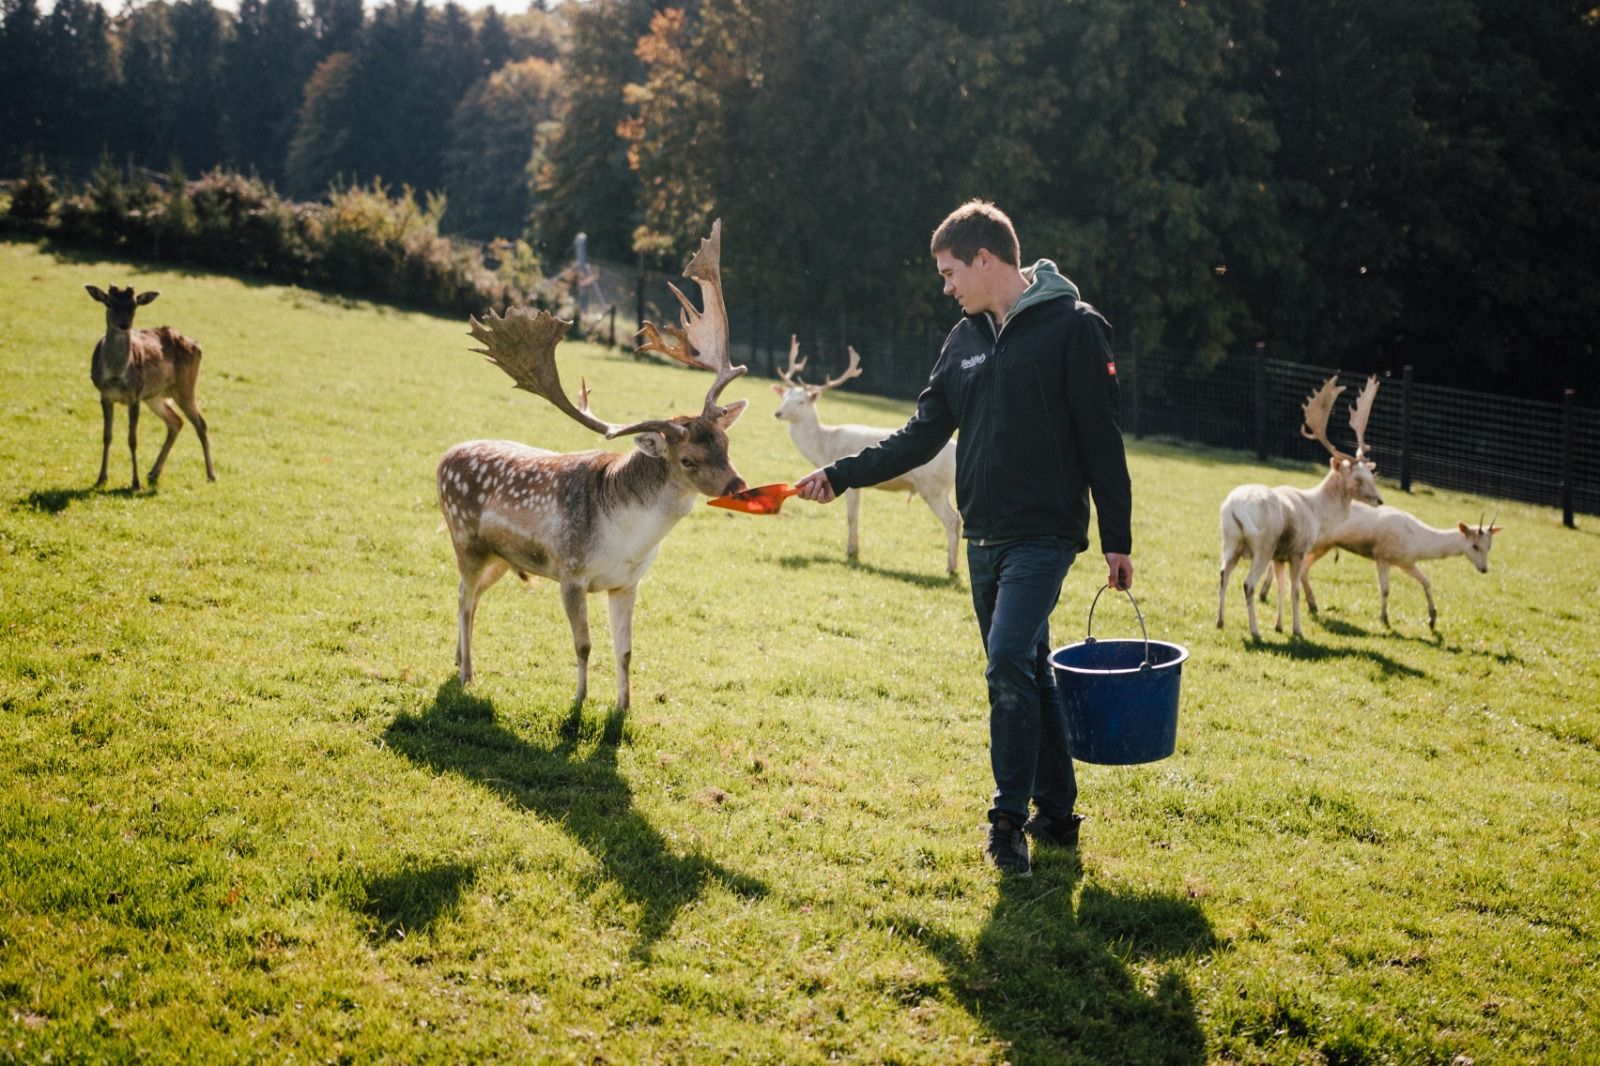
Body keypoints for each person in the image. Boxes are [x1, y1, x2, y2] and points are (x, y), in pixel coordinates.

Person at [795, 200, 1133, 877]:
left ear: (986, 259)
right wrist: (841, 473)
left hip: (1045, 534)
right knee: (1028, 669)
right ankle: (1059, 814)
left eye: (951, 272)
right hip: (983, 535)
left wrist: (1116, 537)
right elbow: (921, 435)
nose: (946, 286)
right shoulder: (964, 341)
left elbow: (1101, 437)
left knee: (1007, 656)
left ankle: (1007, 821)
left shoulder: (1073, 328)